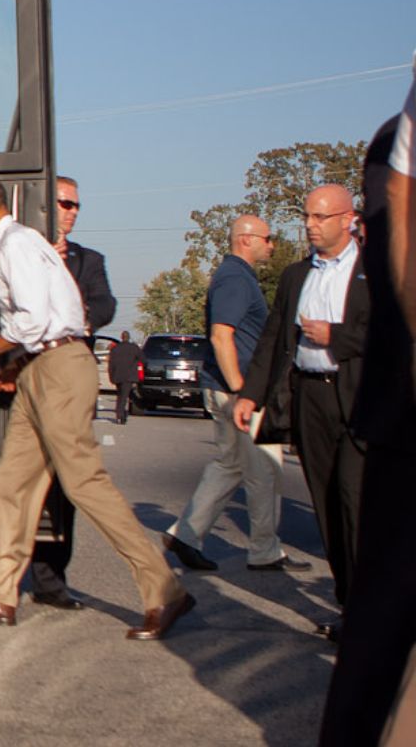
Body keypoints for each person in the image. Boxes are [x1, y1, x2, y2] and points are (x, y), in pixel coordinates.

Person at [0, 174, 191, 639]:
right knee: (13, 484)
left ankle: (164, 590)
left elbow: (32, 317)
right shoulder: (12, 247)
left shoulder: (15, 245)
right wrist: (17, 367)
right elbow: (43, 316)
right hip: (40, 366)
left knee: (84, 483)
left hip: (59, 369)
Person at [321, 80, 416, 745]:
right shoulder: (395, 147)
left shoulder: (389, 140)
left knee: (378, 627)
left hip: (390, 406)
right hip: (399, 407)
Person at [0, 176, 112, 610]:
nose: (70, 211)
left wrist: (66, 311)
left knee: (69, 483)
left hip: (59, 374)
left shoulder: (86, 260)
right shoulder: (11, 247)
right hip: (16, 373)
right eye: (63, 202)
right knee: (5, 478)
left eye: (76, 206)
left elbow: (102, 308)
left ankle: (51, 578)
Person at [235, 184, 367, 637]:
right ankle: (350, 606)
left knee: (356, 502)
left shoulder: (377, 271)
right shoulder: (295, 277)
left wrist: (339, 337)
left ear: (348, 219)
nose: (310, 225)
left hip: (357, 398)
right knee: (327, 503)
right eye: (307, 217)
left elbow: (395, 331)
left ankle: (374, 611)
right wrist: (250, 394)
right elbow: (273, 339)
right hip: (309, 399)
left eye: (319, 217)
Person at [162, 214, 304, 574]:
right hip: (238, 391)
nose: (272, 244)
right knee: (265, 469)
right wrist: (243, 389)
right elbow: (221, 335)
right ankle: (264, 550)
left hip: (227, 388)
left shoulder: (235, 276)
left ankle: (186, 535)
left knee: (230, 465)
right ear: (246, 239)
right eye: (268, 238)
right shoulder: (235, 279)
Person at [108, 329, 143, 425]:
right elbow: (143, 359)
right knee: (124, 396)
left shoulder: (115, 349)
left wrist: (111, 376)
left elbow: (111, 364)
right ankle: (120, 415)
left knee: (120, 395)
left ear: (121, 337)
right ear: (129, 337)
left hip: (118, 375)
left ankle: (119, 413)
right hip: (129, 376)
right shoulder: (134, 348)